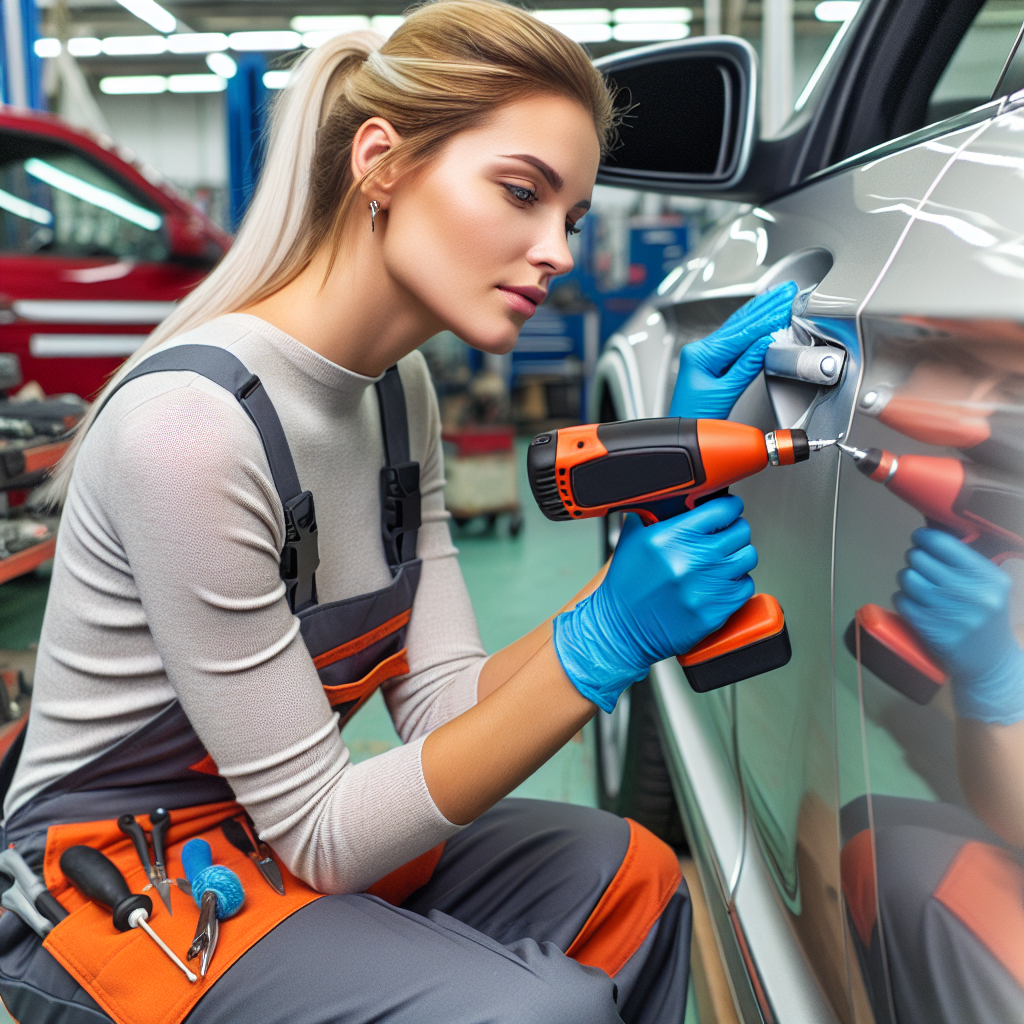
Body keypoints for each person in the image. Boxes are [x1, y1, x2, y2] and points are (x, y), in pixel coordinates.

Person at [0, 3, 795, 1022]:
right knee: (536, 1009)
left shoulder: (394, 393)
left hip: (267, 833)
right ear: (380, 162)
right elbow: (327, 835)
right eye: (522, 193)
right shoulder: (191, 429)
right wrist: (607, 636)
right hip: (112, 883)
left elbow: (446, 708)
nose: (555, 249)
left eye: (572, 217)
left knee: (630, 880)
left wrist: (638, 555)